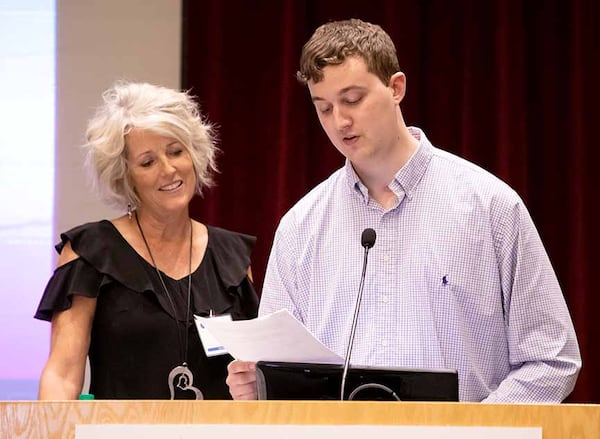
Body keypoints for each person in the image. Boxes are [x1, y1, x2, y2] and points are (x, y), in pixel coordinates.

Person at [226, 19, 581, 402]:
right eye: (324, 107)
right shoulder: (300, 226)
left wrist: (473, 430)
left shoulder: (490, 207)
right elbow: (280, 371)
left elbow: (551, 359)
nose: (339, 121)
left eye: (352, 99)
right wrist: (258, 384)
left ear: (396, 88)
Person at [35, 81, 259, 400]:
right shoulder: (91, 251)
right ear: (124, 177)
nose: (168, 169)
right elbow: (62, 375)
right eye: (147, 162)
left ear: (194, 154)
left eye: (176, 151)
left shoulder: (232, 258)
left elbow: (254, 374)